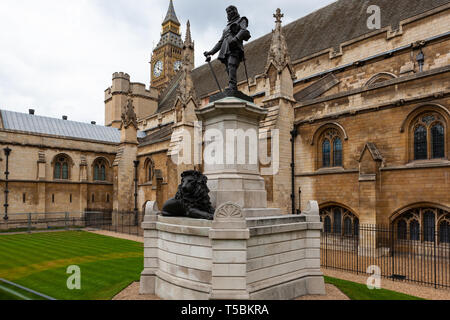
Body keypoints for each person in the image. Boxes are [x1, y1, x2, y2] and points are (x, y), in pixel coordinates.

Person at [204, 5, 251, 91]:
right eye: (227, 12)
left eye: (230, 11)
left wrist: (235, 39)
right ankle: (233, 86)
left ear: (235, 11)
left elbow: (244, 31)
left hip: (235, 47)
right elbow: (220, 42)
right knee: (229, 69)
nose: (228, 13)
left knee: (232, 64)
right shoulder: (226, 28)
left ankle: (232, 85)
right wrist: (211, 52)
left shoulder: (241, 20)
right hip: (225, 50)